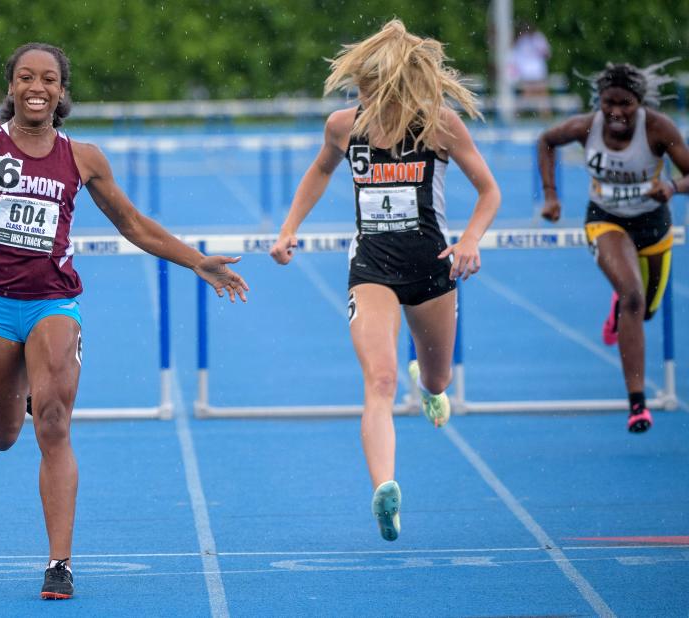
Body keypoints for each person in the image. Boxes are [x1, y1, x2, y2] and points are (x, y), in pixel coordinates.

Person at [0, 42, 248, 600]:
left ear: (62, 92)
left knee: (55, 422)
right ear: (10, 86)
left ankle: (59, 562)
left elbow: (134, 223)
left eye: (48, 80)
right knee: (1, 435)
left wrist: (197, 261)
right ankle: (30, 392)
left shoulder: (83, 158)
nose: (36, 88)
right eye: (25, 78)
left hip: (53, 302)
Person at [269, 19, 500, 542]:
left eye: (375, 90)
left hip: (431, 267)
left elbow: (489, 191)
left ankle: (432, 384)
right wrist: (288, 229)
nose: (365, 99)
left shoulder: (439, 125)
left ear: (399, 85)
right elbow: (321, 171)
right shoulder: (344, 125)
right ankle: (385, 490)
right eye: (360, 90)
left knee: (436, 380)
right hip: (371, 268)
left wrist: (470, 240)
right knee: (379, 380)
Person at [537, 61, 689, 434]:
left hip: (653, 226)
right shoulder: (586, 126)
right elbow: (545, 141)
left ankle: (619, 306)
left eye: (625, 104)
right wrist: (552, 196)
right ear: (599, 101)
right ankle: (637, 404)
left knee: (645, 311)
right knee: (633, 298)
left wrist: (670, 187)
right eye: (609, 103)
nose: (617, 113)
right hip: (605, 220)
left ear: (639, 103)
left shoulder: (657, 129)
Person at [510, 22, 551, 115]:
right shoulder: (522, 40)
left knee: (542, 96)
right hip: (527, 74)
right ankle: (516, 114)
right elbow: (517, 57)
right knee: (528, 94)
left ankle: (545, 116)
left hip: (538, 73)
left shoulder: (538, 38)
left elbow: (546, 53)